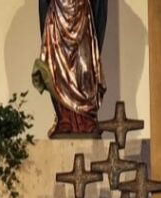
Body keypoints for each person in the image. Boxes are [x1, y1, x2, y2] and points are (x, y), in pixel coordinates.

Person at [32, 0, 108, 137]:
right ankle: (65, 118)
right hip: (58, 19)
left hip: (82, 16)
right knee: (59, 71)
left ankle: (85, 118)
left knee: (85, 71)